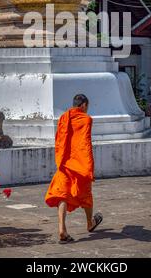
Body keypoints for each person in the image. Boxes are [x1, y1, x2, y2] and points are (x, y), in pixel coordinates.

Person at [45, 94, 103, 243]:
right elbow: (84, 144)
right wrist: (89, 166)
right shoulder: (86, 119)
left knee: (62, 195)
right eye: (87, 107)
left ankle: (62, 230)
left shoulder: (64, 117)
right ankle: (90, 223)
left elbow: (60, 139)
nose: (87, 110)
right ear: (83, 105)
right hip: (79, 164)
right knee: (85, 195)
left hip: (64, 163)